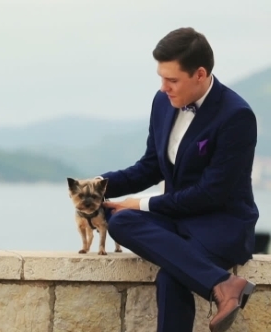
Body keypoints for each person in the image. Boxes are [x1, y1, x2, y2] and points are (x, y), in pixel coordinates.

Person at [98, 27, 258, 332]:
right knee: (119, 220)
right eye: (161, 78)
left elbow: (212, 193)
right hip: (176, 220)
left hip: (219, 223)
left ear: (200, 74)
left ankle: (225, 286)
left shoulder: (237, 116)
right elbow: (150, 167)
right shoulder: (162, 104)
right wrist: (96, 185)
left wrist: (143, 203)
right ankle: (224, 284)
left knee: (171, 277)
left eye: (172, 80)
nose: (163, 88)